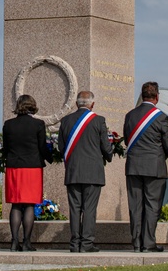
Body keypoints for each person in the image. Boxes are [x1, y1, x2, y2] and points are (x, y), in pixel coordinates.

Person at [57, 90, 113, 254]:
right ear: (92, 104)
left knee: (75, 208)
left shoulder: (66, 121)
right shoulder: (99, 121)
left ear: (76, 104)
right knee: (89, 209)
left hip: (73, 171)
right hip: (93, 173)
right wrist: (109, 155)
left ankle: (75, 244)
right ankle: (87, 243)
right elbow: (105, 146)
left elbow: (61, 147)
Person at [123, 81, 168, 254]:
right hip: (155, 167)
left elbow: (127, 139)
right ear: (157, 97)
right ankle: (149, 243)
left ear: (142, 95)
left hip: (134, 166)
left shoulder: (130, 115)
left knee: (135, 206)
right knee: (152, 206)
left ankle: (136, 243)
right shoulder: (160, 117)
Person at [2, 93, 48, 252]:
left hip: (14, 166)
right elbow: (42, 147)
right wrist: (48, 157)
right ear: (32, 106)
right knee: (29, 204)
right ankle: (27, 241)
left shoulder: (8, 125)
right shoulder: (38, 124)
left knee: (15, 204)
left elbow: (6, 148)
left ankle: (14, 241)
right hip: (32, 167)